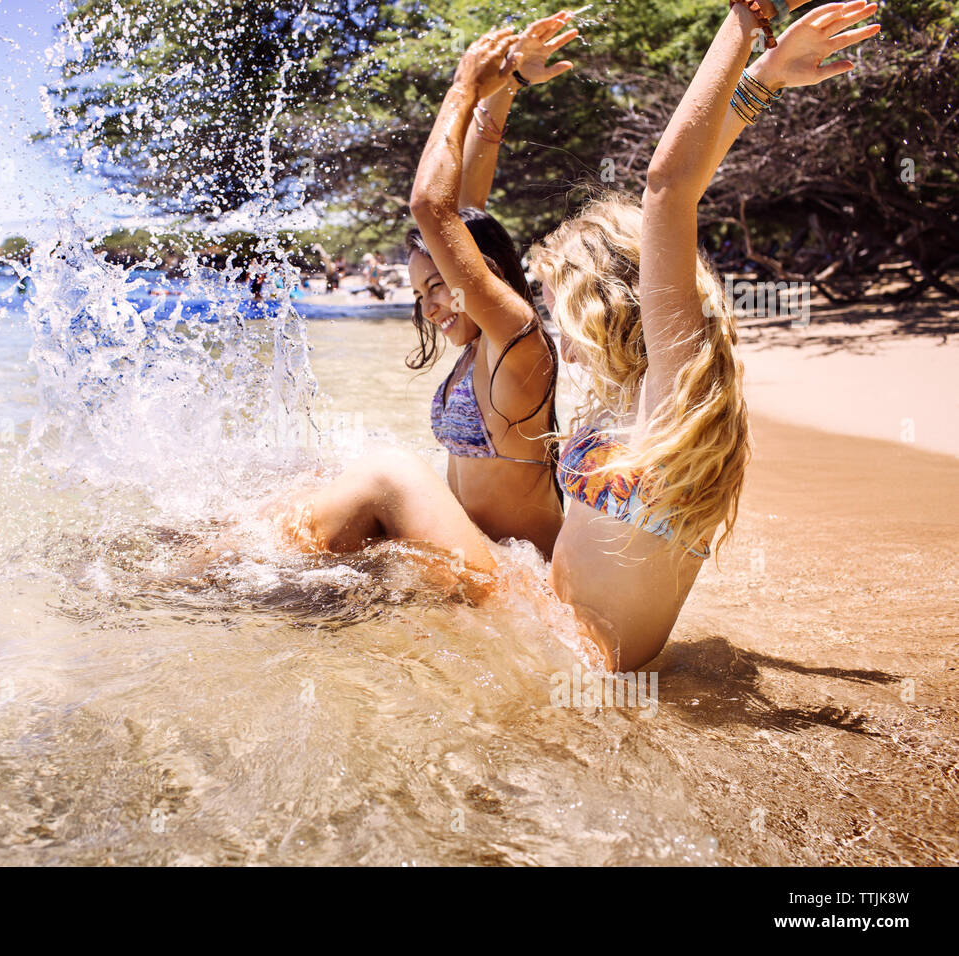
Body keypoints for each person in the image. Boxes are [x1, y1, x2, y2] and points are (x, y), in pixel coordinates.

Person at [279, 2, 880, 671]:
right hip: (546, 613)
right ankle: (257, 576)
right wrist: (761, 79)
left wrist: (745, 20)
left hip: (565, 649)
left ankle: (248, 592)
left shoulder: (666, 400)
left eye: (563, 308)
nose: (555, 332)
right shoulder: (638, 401)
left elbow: (670, 189)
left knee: (388, 474)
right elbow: (475, 226)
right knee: (343, 484)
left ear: (610, 305)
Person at [275, 10, 582, 561]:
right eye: (421, 294)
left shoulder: (517, 340)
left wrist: (465, 85)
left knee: (388, 472)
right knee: (310, 479)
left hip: (518, 579)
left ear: (480, 269)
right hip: (482, 556)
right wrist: (505, 90)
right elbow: (467, 207)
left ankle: (226, 584)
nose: (432, 305)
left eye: (439, 285)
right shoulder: (482, 347)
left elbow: (433, 206)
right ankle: (235, 574)